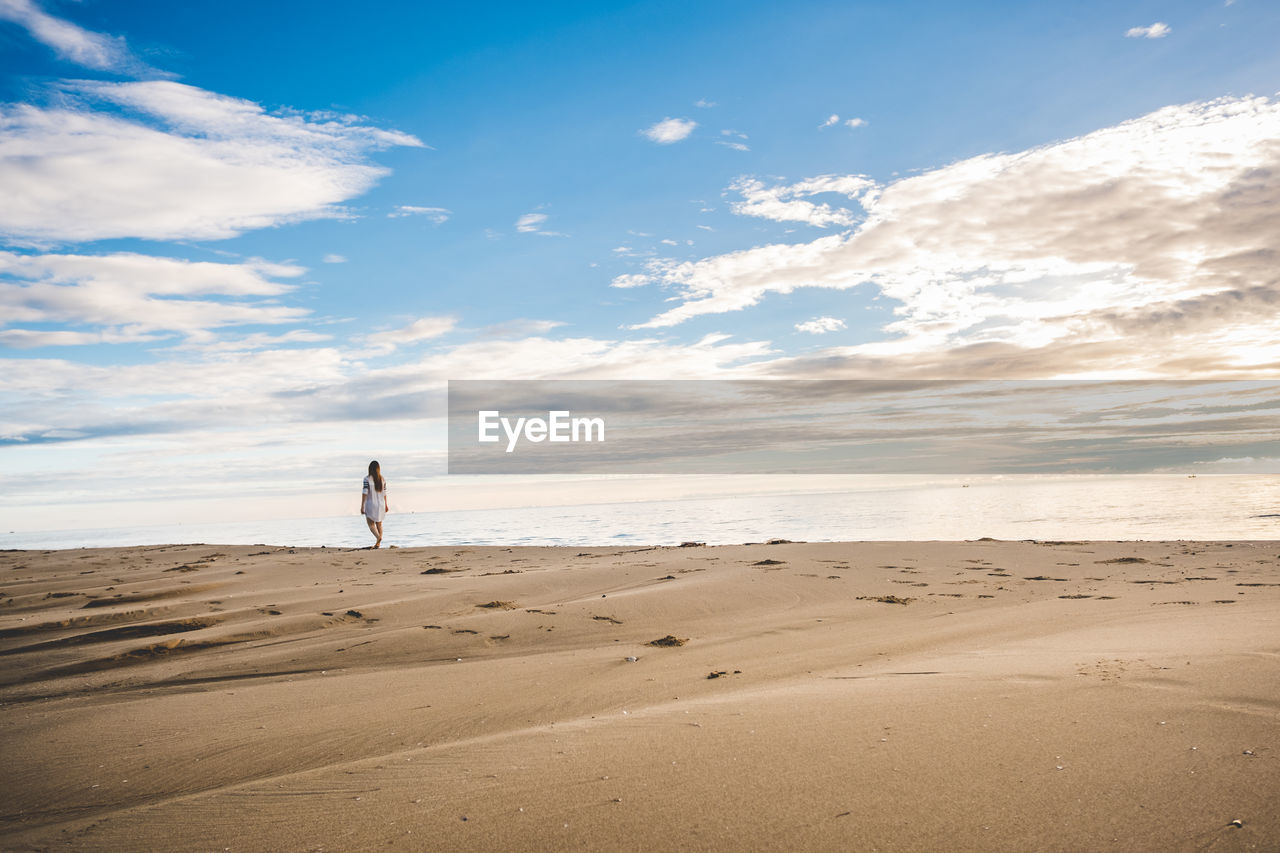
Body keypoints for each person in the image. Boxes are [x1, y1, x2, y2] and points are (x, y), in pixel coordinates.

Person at [360, 460, 389, 548]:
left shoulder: (367, 479)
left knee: (370, 524)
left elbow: (365, 492)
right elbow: (384, 493)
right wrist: (386, 505)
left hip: (371, 504)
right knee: (379, 523)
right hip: (381, 504)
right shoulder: (382, 479)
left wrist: (362, 505)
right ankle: (378, 543)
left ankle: (378, 538)